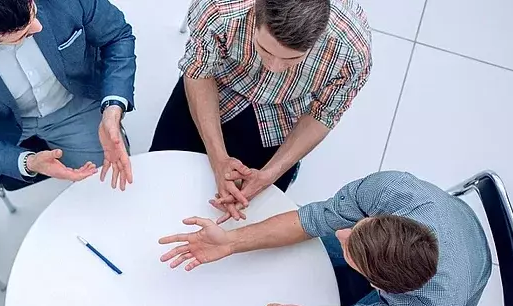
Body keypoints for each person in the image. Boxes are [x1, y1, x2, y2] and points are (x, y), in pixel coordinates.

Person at [158, 171, 492, 306]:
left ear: (377, 285)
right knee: (314, 234)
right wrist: (230, 242)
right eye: (359, 227)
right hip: (452, 219)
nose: (342, 234)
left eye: (350, 249)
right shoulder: (389, 191)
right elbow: (314, 220)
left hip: (466, 281)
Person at [0, 0, 136, 269]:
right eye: (24, 33)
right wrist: (26, 162)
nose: (39, 25)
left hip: (70, 104)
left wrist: (113, 110)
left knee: (114, 188)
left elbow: (117, 36)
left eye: (33, 10)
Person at [150, 0, 372, 223]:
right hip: (216, 83)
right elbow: (200, 71)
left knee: (253, 216)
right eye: (264, 49)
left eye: (292, 58)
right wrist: (219, 159)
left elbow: (323, 114)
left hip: (282, 111)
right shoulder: (218, 8)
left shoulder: (353, 52)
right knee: (158, 176)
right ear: (255, 13)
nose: (273, 67)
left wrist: (269, 175)